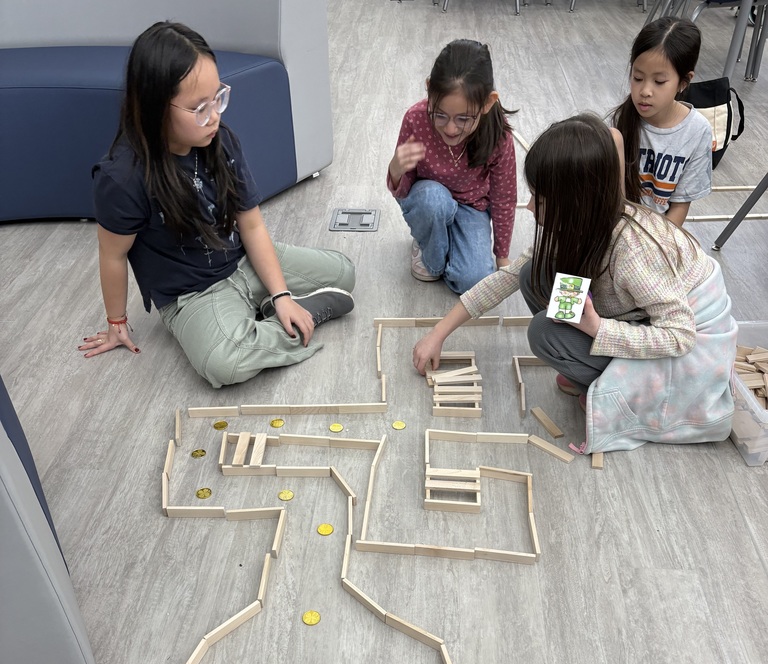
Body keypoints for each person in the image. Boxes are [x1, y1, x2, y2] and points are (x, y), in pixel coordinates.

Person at [412, 114, 736, 453]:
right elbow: (507, 278)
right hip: (638, 315)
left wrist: (597, 329)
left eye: (540, 198)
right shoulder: (581, 222)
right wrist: (438, 333)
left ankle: (599, 377)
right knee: (531, 274)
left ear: (575, 203)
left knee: (543, 332)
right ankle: (588, 365)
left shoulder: (632, 252)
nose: (529, 206)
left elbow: (681, 337)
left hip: (687, 347)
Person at [82, 21, 355, 388]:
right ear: (154, 108)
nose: (215, 115)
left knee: (344, 273)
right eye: (199, 107)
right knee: (225, 364)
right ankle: (276, 322)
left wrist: (283, 294)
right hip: (194, 293)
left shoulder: (221, 141)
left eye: (218, 98)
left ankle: (274, 309)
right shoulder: (123, 177)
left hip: (243, 260)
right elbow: (112, 254)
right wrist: (116, 323)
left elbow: (252, 225)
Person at [386, 38, 517, 294]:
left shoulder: (498, 135)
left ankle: (448, 242)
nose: (450, 128)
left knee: (474, 282)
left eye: (463, 119)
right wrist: (395, 170)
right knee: (432, 202)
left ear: (488, 103)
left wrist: (502, 257)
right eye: (441, 114)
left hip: (472, 207)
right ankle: (430, 243)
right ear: (429, 90)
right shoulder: (415, 118)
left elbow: (504, 198)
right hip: (430, 200)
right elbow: (406, 194)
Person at [611, 17, 712, 228]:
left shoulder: (697, 131)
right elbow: (612, 197)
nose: (645, 91)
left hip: (661, 234)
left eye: (659, 82)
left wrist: (656, 245)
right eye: (637, 78)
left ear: (683, 82)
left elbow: (680, 206)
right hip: (618, 227)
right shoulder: (622, 120)